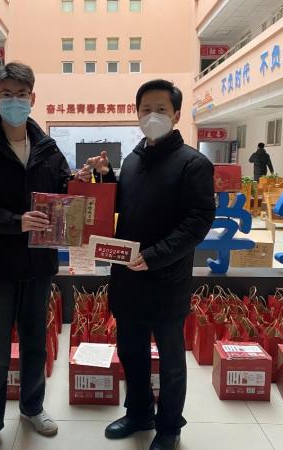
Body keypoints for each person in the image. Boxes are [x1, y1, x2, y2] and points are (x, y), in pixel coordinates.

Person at [78, 80, 215, 450]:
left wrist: (154, 256)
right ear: (137, 114)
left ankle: (169, 427)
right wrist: (105, 177)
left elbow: (198, 222)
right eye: (145, 110)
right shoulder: (134, 160)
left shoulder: (193, 164)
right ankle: (139, 413)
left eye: (161, 110)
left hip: (166, 278)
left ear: (176, 115)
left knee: (170, 360)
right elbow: (121, 203)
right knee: (131, 351)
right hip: (128, 277)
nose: (152, 116)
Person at [0, 62, 75, 450]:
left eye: (21, 95)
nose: (15, 101)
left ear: (33, 98)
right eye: (7, 95)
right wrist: (14, 221)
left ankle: (32, 408)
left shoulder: (48, 149)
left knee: (36, 343)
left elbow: (65, 192)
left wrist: (88, 179)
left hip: (39, 265)